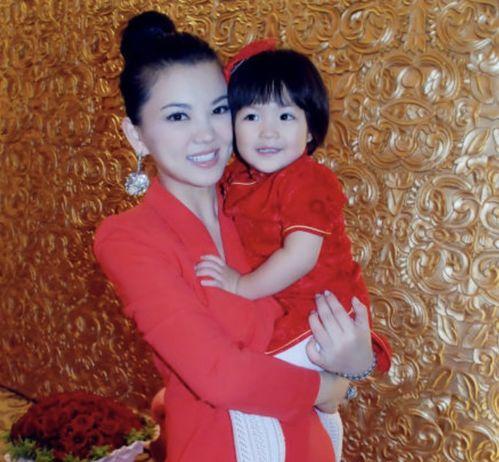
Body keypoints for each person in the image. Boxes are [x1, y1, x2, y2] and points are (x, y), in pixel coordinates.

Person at [94, 11, 377, 462]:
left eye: (218, 109)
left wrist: (357, 363)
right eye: (178, 116)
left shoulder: (258, 210)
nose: (206, 134)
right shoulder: (129, 238)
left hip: (309, 446)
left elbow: (321, 317)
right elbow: (219, 375)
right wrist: (333, 384)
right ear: (136, 135)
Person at [194, 41, 392, 461]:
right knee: (297, 401)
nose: (268, 131)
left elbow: (300, 256)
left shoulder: (306, 179)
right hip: (283, 309)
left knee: (261, 390)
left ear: (311, 130)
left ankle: (326, 416)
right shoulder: (237, 180)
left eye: (285, 116)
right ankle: (329, 415)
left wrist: (241, 286)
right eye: (251, 116)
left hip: (316, 312)